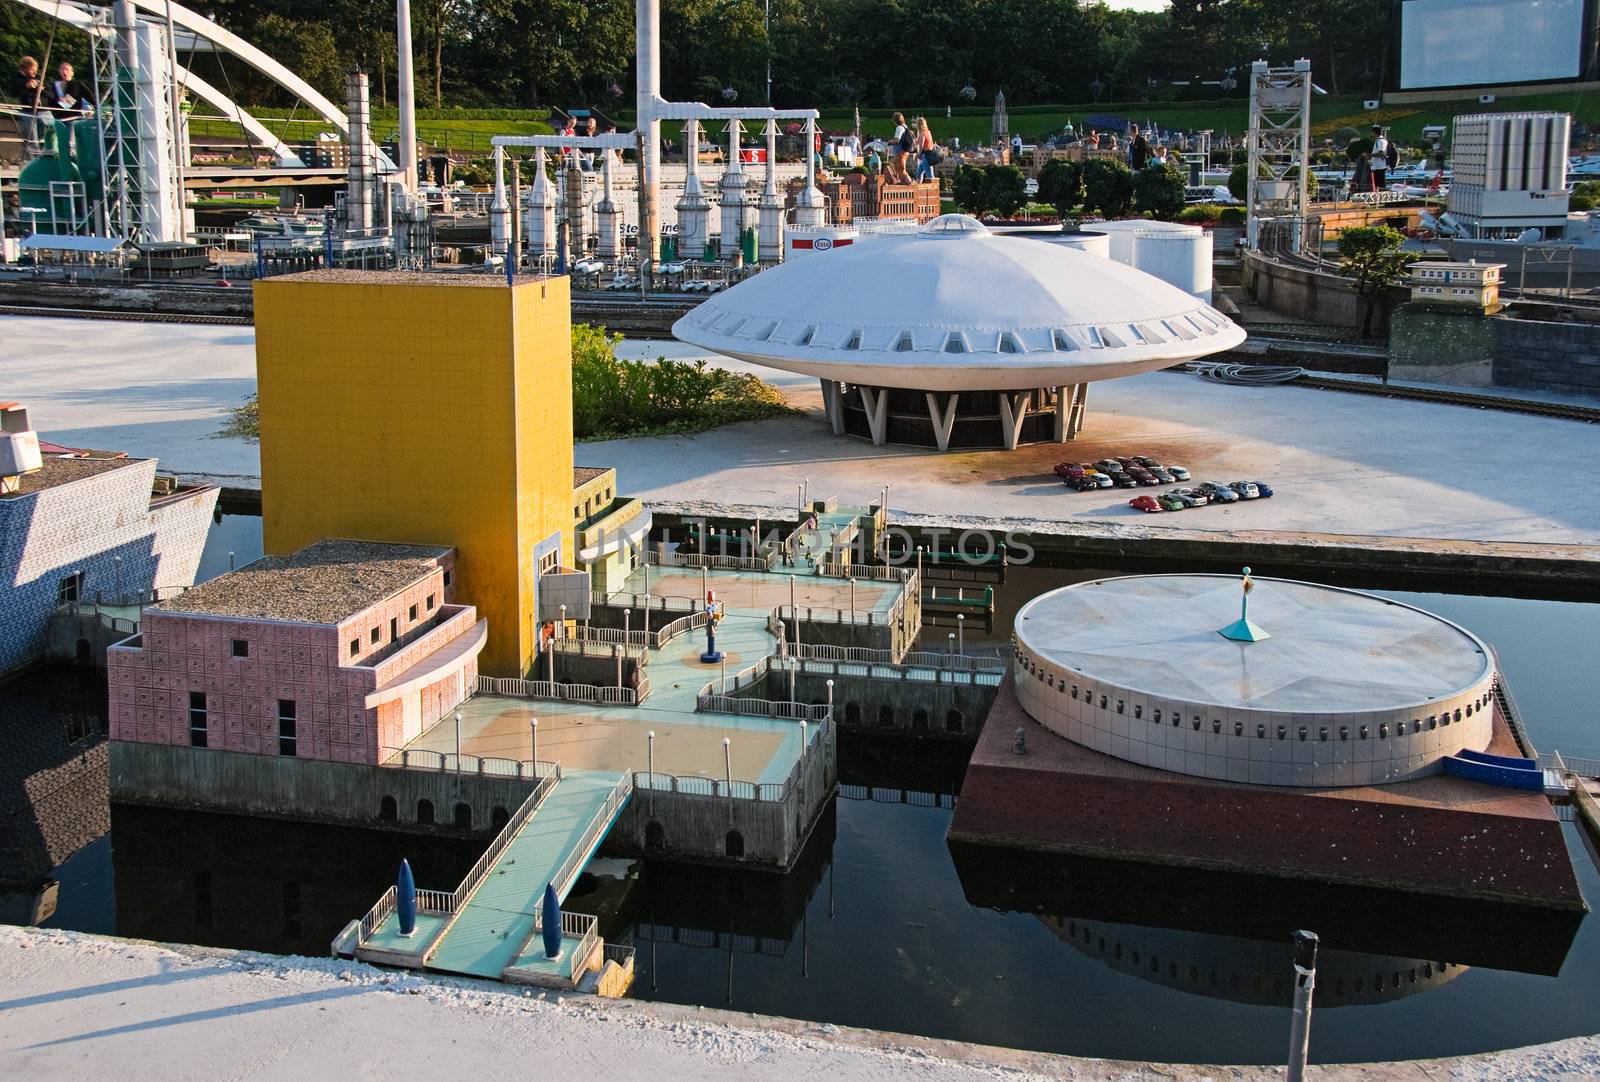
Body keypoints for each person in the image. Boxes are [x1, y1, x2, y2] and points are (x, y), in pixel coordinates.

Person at [9, 55, 41, 152]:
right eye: (32, 70)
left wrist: (41, 89)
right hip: (28, 110)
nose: (35, 72)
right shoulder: (17, 78)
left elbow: (49, 91)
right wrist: (26, 87)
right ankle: (32, 160)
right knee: (32, 139)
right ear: (25, 68)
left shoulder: (38, 77)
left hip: (41, 110)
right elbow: (14, 93)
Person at [890, 112, 912, 183]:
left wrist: (890, 141)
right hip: (905, 152)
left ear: (895, 120)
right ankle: (903, 184)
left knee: (898, 169)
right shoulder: (905, 127)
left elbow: (897, 140)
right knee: (900, 170)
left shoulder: (899, 128)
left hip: (900, 152)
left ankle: (911, 185)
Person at [916, 117, 938, 181]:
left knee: (930, 175)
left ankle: (933, 189)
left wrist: (919, 155)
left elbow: (921, 146)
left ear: (918, 125)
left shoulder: (922, 134)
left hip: (925, 156)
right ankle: (918, 188)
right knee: (918, 173)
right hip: (929, 154)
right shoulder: (928, 132)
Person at [1368, 125, 1389, 190]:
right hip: (1378, 166)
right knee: (1379, 185)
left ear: (1374, 132)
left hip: (1380, 167)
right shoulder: (1379, 141)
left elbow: (1381, 153)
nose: (1371, 134)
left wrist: (1368, 155)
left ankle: (1382, 196)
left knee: (1380, 185)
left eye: (1372, 132)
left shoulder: (1380, 141)